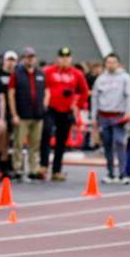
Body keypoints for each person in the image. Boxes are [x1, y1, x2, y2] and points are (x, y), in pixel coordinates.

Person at [40, 47, 89, 181]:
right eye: (62, 57)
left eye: (67, 58)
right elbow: (40, 86)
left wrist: (77, 106)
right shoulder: (48, 71)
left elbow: (85, 91)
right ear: (58, 58)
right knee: (46, 133)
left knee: (62, 141)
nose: (64, 60)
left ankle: (57, 170)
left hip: (66, 110)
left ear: (70, 59)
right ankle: (43, 165)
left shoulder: (76, 74)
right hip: (50, 108)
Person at [91, 53, 130, 184]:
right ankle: (110, 173)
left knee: (120, 142)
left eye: (113, 62)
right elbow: (94, 98)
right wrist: (93, 116)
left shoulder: (125, 78)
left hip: (119, 115)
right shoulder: (100, 79)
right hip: (104, 115)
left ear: (118, 63)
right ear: (105, 64)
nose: (111, 65)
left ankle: (123, 173)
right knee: (107, 144)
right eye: (108, 62)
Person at [8, 47, 48, 181]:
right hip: (22, 115)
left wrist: (45, 105)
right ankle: (18, 169)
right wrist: (14, 114)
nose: (30, 59)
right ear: (23, 58)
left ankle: (33, 169)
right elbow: (11, 95)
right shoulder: (17, 74)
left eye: (32, 57)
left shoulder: (41, 74)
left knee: (35, 144)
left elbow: (47, 91)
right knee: (18, 144)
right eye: (27, 57)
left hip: (37, 115)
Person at [0, 50, 17, 180]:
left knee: (9, 140)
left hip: (14, 111)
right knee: (0, 137)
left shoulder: (18, 75)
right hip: (0, 111)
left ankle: (6, 165)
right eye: (9, 60)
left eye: (13, 60)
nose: (10, 62)